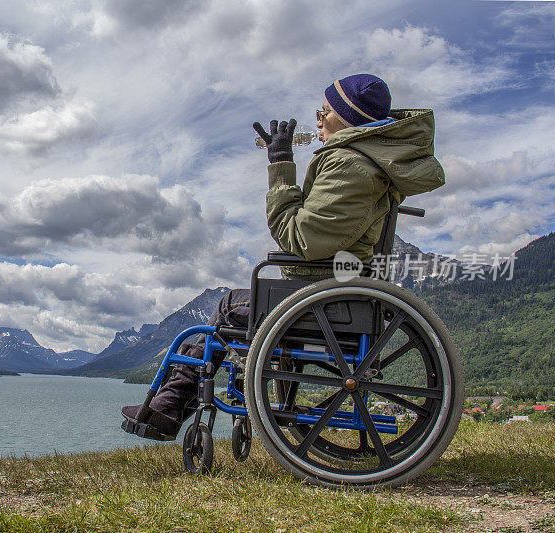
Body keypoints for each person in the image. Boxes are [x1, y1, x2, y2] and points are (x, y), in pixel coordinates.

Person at [122, 73, 444, 440]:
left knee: (227, 307)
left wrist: (280, 167)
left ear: (349, 117)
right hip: (337, 289)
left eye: (326, 111)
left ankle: (169, 405)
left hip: (323, 295)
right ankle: (171, 404)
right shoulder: (366, 161)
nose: (319, 120)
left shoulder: (350, 165)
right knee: (232, 302)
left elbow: (300, 239)